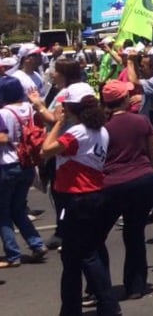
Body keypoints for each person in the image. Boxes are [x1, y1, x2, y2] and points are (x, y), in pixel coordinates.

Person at [40, 82, 117, 316]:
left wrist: (58, 123)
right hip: (93, 196)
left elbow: (47, 149)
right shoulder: (100, 130)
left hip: (76, 198)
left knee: (85, 255)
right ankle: (74, 307)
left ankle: (108, 304)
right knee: (76, 256)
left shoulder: (77, 132)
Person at [97, 80, 153, 299]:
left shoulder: (102, 127)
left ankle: (99, 286)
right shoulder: (141, 121)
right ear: (124, 99)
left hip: (111, 184)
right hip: (142, 180)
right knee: (134, 234)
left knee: (96, 237)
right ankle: (136, 285)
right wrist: (146, 171)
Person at [0, 76, 47, 267]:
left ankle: (13, 255)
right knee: (18, 208)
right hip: (27, 162)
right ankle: (36, 243)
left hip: (6, 164)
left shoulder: (3, 113)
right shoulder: (29, 108)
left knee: (3, 212)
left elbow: (3, 138)